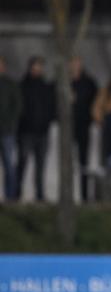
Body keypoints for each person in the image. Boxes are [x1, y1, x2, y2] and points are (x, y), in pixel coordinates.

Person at [16, 56, 55, 202]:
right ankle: (16, 192)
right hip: (26, 132)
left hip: (43, 132)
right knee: (23, 162)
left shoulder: (46, 87)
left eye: (39, 67)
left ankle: (40, 195)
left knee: (41, 166)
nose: (37, 70)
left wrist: (47, 121)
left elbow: (51, 107)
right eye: (34, 67)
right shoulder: (22, 86)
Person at [69, 57, 98, 202]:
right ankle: (67, 195)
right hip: (67, 127)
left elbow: (96, 103)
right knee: (66, 163)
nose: (74, 66)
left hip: (83, 126)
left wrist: (91, 119)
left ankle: (85, 196)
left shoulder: (89, 83)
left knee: (83, 162)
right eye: (72, 63)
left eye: (77, 63)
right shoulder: (63, 82)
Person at [0, 56, 22, 200]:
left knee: (9, 165)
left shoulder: (10, 84)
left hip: (7, 132)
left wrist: (10, 124)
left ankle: (11, 197)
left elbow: (18, 106)